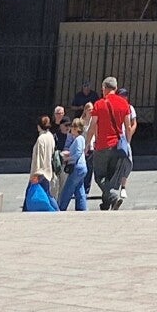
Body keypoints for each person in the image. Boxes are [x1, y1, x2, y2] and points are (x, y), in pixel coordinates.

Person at [89, 76, 135, 209]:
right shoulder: (124, 104)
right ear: (116, 88)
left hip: (102, 145)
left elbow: (92, 126)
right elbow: (128, 127)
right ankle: (106, 203)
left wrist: (87, 143)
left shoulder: (99, 104)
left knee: (99, 177)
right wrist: (127, 142)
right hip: (117, 145)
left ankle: (113, 197)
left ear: (104, 88)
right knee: (110, 176)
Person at [57, 103, 89, 211]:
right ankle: (82, 208)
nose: (70, 128)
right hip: (81, 168)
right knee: (79, 189)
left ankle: (61, 207)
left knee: (68, 189)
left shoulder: (79, 139)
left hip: (77, 167)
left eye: (72, 127)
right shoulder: (76, 138)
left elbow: (78, 153)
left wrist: (67, 158)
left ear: (76, 128)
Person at [25, 116, 60, 211]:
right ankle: (56, 210)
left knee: (32, 193)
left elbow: (39, 157)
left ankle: (56, 211)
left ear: (39, 126)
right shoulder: (50, 136)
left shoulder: (41, 139)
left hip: (40, 171)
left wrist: (36, 174)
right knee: (47, 193)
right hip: (48, 170)